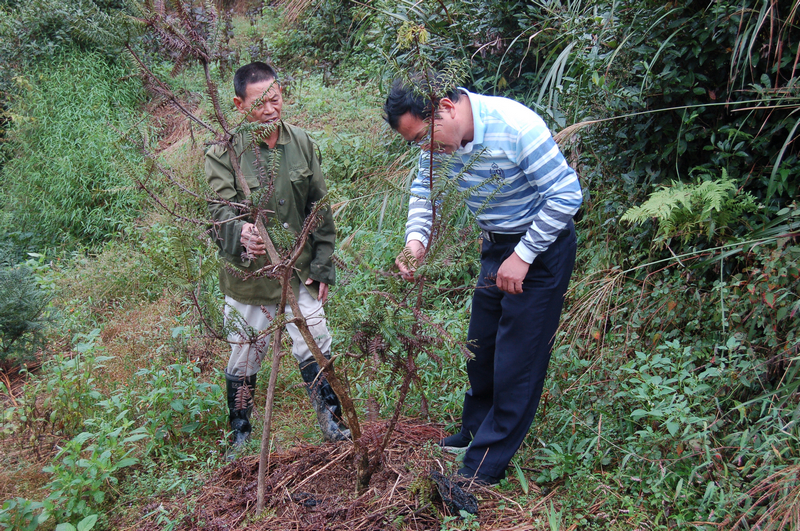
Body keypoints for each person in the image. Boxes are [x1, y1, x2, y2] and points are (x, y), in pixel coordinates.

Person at [383, 76, 582, 485]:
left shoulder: (515, 125)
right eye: (414, 143)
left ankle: (482, 465)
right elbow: (425, 190)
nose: (425, 150)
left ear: (445, 106)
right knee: (482, 346)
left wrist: (524, 256)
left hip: (541, 249)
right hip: (495, 246)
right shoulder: (437, 147)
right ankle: (474, 431)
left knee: (517, 359)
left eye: (425, 136)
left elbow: (566, 194)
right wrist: (415, 242)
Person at [205, 61, 348, 449]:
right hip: (249, 278)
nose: (271, 109)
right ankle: (240, 435)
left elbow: (320, 207)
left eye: (276, 98)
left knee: (316, 342)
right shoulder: (224, 151)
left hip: (299, 271)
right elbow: (219, 211)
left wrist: (321, 266)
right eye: (260, 102)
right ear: (239, 105)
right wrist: (240, 233)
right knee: (244, 356)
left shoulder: (300, 141)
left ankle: (332, 423)